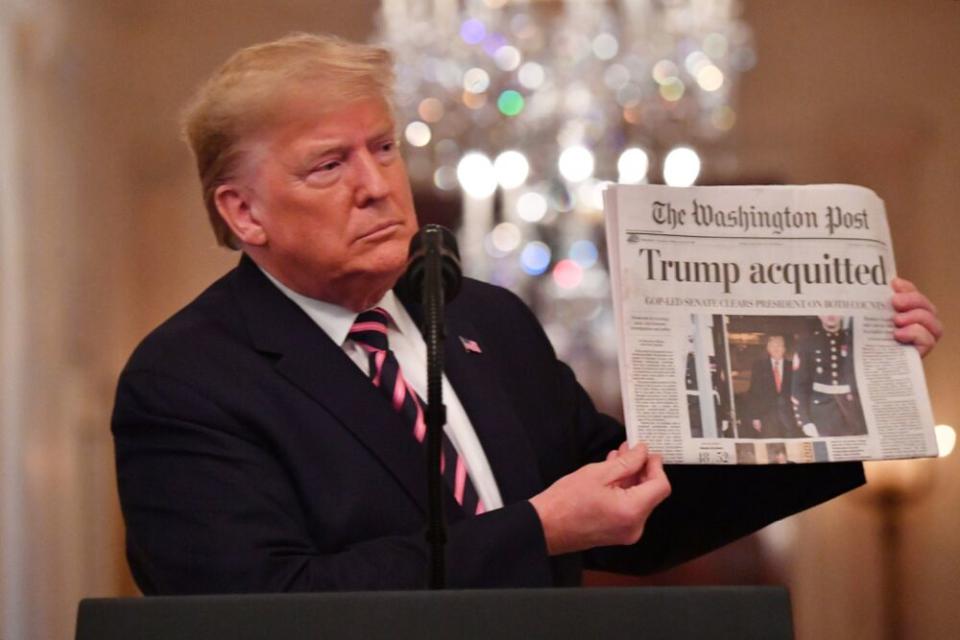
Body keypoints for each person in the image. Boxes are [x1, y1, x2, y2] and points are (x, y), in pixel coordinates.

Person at [111, 33, 943, 594]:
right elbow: (261, 604)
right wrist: (537, 530)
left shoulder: (483, 319)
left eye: (384, 147)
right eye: (328, 165)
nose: (376, 184)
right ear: (245, 212)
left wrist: (846, 388)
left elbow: (637, 507)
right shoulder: (186, 379)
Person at [791, 316, 867, 437]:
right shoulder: (807, 343)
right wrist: (805, 421)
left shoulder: (854, 341)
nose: (831, 314)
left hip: (851, 411)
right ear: (819, 315)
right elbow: (799, 386)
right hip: (821, 412)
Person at [745, 335, 796, 439]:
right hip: (767, 417)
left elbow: (800, 391)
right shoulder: (759, 366)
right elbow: (754, 393)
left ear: (784, 349)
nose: (776, 348)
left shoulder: (792, 366)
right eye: (772, 345)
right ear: (768, 349)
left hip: (790, 417)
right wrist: (755, 417)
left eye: (779, 345)